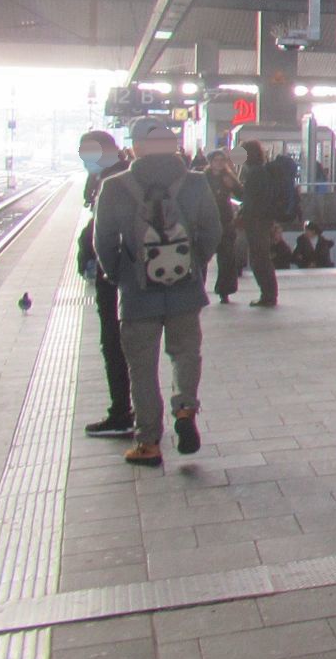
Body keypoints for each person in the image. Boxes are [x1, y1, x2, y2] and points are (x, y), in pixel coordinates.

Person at [90, 115, 222, 467]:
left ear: (136, 148)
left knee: (142, 368)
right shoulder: (196, 183)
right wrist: (194, 263)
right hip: (185, 289)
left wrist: (119, 274)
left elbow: (103, 241)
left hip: (137, 293)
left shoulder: (115, 186)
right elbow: (213, 230)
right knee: (186, 353)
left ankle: (148, 442)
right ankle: (185, 409)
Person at [75, 129, 134, 438]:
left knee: (115, 343)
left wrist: (104, 268)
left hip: (116, 276)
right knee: (123, 344)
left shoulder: (114, 181)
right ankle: (128, 409)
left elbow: (105, 230)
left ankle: (122, 411)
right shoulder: (116, 175)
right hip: (122, 273)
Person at [236, 140, 282, 308]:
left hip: (256, 221)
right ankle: (269, 294)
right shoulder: (261, 171)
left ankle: (268, 295)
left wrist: (243, 215)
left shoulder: (255, 173)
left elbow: (251, 199)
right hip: (262, 220)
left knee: (259, 259)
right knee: (261, 257)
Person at [204, 150, 241, 304]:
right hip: (206, 220)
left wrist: (233, 186)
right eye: (216, 160)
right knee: (202, 258)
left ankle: (224, 290)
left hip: (225, 220)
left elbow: (241, 194)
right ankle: (199, 289)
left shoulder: (228, 177)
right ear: (210, 162)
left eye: (222, 160)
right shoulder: (203, 178)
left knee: (226, 258)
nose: (219, 163)